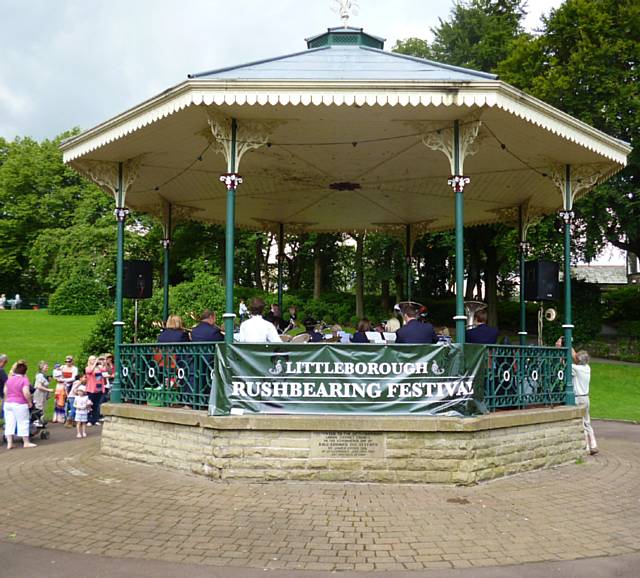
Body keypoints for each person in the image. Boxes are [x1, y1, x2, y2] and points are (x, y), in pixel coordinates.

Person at [556, 339, 598, 455]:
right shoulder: (587, 368)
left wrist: (559, 347)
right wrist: (569, 343)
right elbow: (575, 356)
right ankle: (593, 444)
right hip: (586, 398)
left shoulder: (576, 369)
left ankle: (587, 447)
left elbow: (564, 363)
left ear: (578, 360)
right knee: (587, 422)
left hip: (577, 397)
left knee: (581, 422)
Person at [3, 360, 36, 449]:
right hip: (20, 403)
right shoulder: (24, 379)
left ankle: (9, 443)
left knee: (9, 423)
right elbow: (26, 392)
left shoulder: (9, 379)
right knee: (23, 422)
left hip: (8, 403)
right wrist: (29, 402)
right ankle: (26, 442)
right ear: (25, 371)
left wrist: (6, 399)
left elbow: (5, 390)